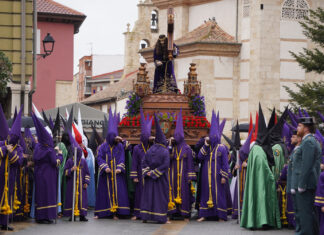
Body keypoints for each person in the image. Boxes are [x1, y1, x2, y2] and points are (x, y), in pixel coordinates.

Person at [240, 104, 282, 229]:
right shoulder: (258, 151)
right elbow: (264, 168)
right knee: (261, 200)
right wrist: (272, 178)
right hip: (262, 183)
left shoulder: (255, 149)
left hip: (258, 181)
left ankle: (254, 220)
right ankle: (261, 221)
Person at [94, 110, 130, 219]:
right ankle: (102, 212)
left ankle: (116, 213)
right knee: (104, 194)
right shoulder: (103, 147)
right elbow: (99, 158)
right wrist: (105, 167)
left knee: (119, 193)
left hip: (117, 174)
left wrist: (120, 168)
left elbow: (123, 156)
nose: (114, 138)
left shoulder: (119, 145)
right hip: (106, 174)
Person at [197, 111, 231, 222]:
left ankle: (221, 215)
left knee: (219, 195)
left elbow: (225, 164)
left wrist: (223, 176)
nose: (212, 138)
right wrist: (205, 146)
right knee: (205, 194)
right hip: (206, 176)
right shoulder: (206, 147)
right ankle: (204, 214)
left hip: (217, 176)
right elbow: (199, 157)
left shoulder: (221, 148)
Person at [291, 116, 321, 235]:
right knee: (305, 214)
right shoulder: (307, 141)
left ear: (306, 128)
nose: (297, 128)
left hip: (306, 184)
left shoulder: (309, 142)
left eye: (300, 126)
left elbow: (307, 165)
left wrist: (301, 184)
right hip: (304, 183)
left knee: (305, 216)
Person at [31, 113, 63, 224]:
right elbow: (55, 162)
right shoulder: (49, 150)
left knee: (40, 196)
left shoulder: (38, 147)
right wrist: (60, 155)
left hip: (39, 174)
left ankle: (40, 216)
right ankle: (47, 216)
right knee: (48, 196)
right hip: (48, 176)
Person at [140, 114, 170, 224]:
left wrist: (147, 172)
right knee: (160, 197)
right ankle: (160, 218)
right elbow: (165, 165)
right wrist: (154, 173)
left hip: (148, 179)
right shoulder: (165, 151)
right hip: (160, 179)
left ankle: (145, 216)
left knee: (148, 197)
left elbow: (143, 162)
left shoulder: (149, 150)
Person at [168, 110, 196, 221]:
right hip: (173, 176)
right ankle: (172, 213)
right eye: (175, 135)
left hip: (184, 177)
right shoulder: (172, 147)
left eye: (178, 135)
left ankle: (185, 214)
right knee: (172, 193)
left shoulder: (187, 149)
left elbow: (190, 164)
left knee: (184, 194)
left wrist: (190, 177)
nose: (176, 137)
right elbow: (168, 159)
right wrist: (169, 145)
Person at [0, 106, 23, 231]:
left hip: (11, 177)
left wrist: (11, 153)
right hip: (0, 175)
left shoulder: (18, 149)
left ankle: (5, 222)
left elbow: (19, 162)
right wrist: (4, 149)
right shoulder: (2, 144)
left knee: (7, 198)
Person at [130, 108, 153, 220]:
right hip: (139, 174)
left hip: (149, 173)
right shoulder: (137, 148)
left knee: (149, 193)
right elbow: (134, 162)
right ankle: (137, 213)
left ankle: (148, 212)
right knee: (139, 194)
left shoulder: (152, 146)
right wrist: (134, 176)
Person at [63, 131, 90, 222]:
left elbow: (87, 173)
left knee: (82, 199)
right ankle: (72, 215)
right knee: (72, 199)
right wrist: (71, 170)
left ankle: (82, 216)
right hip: (72, 184)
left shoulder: (83, 161)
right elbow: (65, 172)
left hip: (82, 185)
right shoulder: (70, 161)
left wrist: (86, 182)